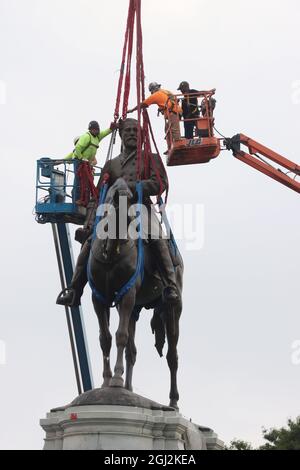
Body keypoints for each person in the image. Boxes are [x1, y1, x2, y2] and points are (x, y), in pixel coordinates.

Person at [56, 118, 179, 307]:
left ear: (142, 136)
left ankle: (170, 285)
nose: (131, 133)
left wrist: (132, 186)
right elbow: (97, 197)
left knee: (156, 238)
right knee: (90, 243)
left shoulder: (151, 158)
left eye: (135, 131)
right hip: (112, 209)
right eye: (128, 130)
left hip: (141, 207)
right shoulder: (111, 164)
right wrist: (88, 224)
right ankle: (74, 289)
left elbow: (160, 183)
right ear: (121, 135)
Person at [66, 120, 117, 206]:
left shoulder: (97, 137)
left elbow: (104, 133)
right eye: (95, 130)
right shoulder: (86, 137)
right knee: (79, 180)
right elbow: (78, 148)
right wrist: (81, 158)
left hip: (87, 163)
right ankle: (78, 199)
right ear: (91, 130)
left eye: (97, 130)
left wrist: (111, 129)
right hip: (79, 161)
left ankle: (85, 199)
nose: (97, 131)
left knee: (87, 181)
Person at [127, 82, 182, 148]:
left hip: (173, 112)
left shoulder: (156, 95)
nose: (151, 93)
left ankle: (178, 144)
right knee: (167, 129)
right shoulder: (165, 91)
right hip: (175, 111)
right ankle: (170, 146)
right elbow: (173, 100)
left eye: (151, 91)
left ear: (153, 89)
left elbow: (143, 104)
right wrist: (162, 108)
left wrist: (132, 110)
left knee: (174, 129)